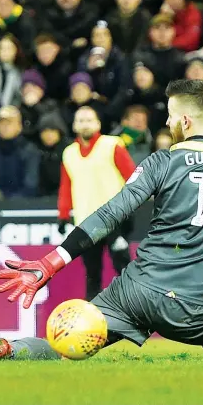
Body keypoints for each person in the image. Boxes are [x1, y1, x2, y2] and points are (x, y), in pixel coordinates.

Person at [0, 79, 203, 355]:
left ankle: (4, 350)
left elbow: (109, 213)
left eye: (171, 116)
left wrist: (48, 264)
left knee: (66, 344)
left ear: (185, 121)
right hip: (195, 312)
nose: (167, 121)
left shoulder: (159, 162)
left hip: (133, 295)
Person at [58, 106, 134, 300]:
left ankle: (134, 310)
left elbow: (132, 177)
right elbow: (66, 187)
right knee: (92, 272)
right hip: (86, 222)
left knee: (124, 267)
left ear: (98, 123)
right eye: (81, 120)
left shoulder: (112, 145)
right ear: (74, 125)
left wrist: (131, 211)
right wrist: (64, 215)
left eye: (89, 120)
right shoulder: (69, 153)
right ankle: (92, 315)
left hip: (114, 218)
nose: (85, 124)